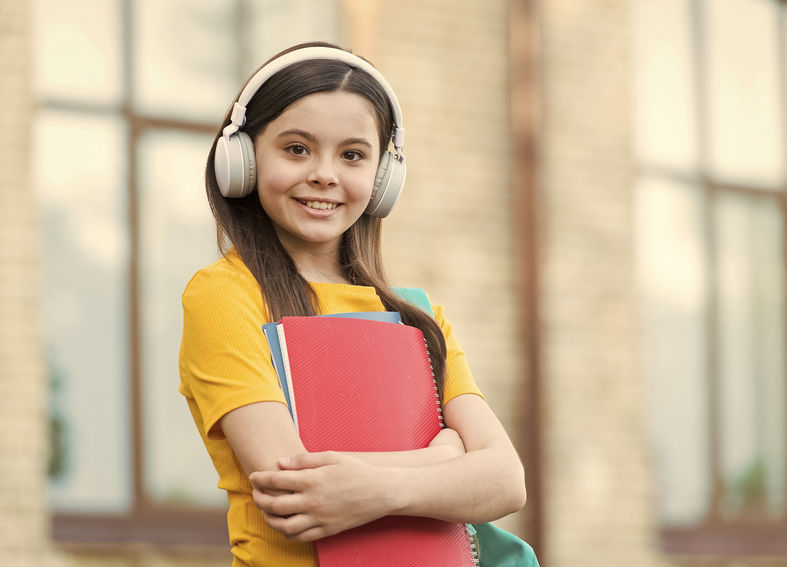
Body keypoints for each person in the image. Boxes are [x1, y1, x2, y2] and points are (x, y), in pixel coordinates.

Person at [179, 41, 526, 567]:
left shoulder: (418, 315)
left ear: (383, 177)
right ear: (243, 159)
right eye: (296, 149)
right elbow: (292, 483)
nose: (324, 173)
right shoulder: (224, 295)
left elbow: (506, 480)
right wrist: (442, 461)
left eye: (353, 155)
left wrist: (381, 488)